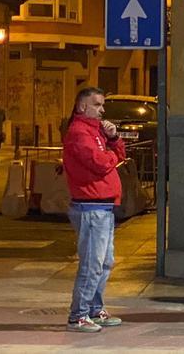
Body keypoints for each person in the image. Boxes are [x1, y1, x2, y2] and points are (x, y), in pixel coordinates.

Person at [62, 87, 126, 333]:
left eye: (102, 105)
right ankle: (78, 315)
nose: (102, 110)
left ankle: (94, 309)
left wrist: (113, 140)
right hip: (90, 208)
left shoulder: (96, 132)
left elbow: (117, 156)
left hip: (103, 205)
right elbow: (100, 164)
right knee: (91, 263)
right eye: (97, 105)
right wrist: (110, 156)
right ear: (82, 107)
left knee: (104, 261)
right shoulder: (79, 133)